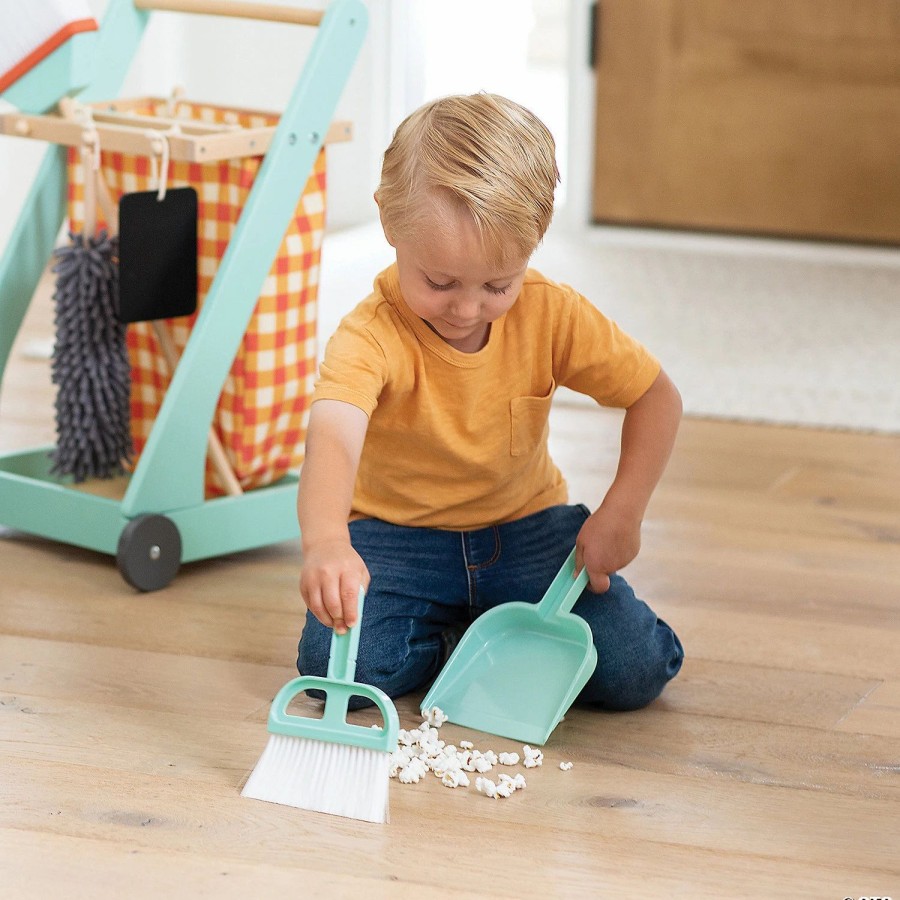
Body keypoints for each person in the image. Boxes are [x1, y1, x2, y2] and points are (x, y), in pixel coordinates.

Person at [296, 93, 684, 711]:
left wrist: (624, 510)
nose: (468, 308)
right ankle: (466, 640)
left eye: (498, 285)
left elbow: (656, 397)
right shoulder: (368, 336)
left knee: (636, 670)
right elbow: (334, 438)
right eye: (441, 283)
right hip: (397, 539)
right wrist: (325, 543)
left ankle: (472, 638)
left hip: (526, 530)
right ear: (390, 222)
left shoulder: (552, 313)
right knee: (333, 673)